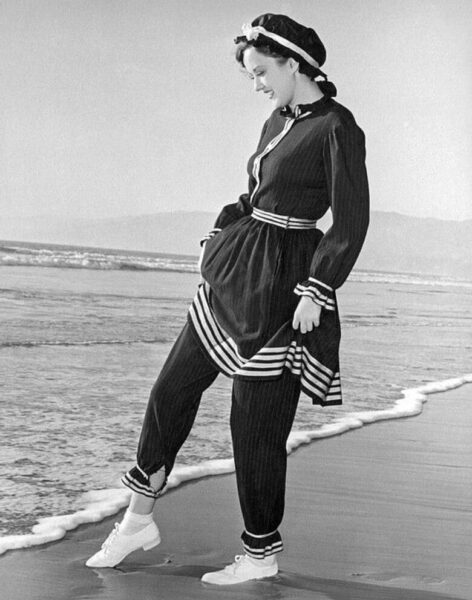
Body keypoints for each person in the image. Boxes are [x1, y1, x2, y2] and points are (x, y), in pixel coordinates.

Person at [85, 13, 369, 585]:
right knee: (171, 391)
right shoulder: (276, 120)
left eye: (261, 72)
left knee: (254, 429)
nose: (257, 84)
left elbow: (351, 218)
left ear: (293, 63)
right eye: (251, 76)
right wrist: (219, 233)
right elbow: (255, 195)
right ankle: (137, 519)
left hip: (284, 290)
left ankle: (260, 554)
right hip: (239, 270)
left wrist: (319, 289)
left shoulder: (338, 127)